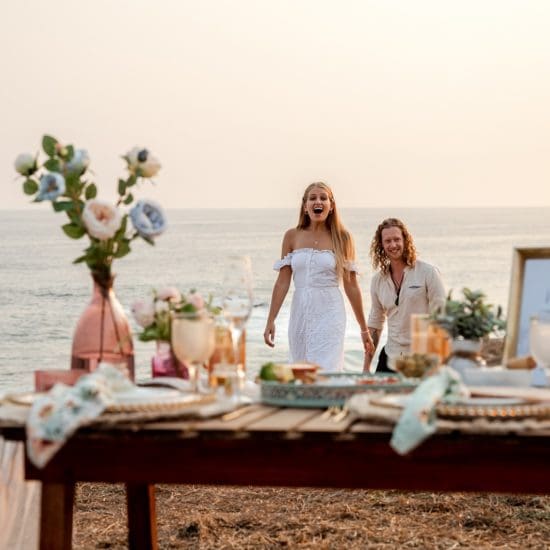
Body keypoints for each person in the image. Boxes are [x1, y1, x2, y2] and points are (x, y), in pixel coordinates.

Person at [264, 182, 373, 371]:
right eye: (312, 198)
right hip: (300, 311)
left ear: (331, 206)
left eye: (323, 198)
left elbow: (351, 286)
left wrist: (364, 329)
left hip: (330, 313)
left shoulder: (343, 237)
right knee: (300, 369)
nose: (318, 201)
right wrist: (270, 320)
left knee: (326, 370)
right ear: (305, 206)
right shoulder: (291, 236)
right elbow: (282, 282)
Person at [364, 217, 446, 373]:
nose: (393, 245)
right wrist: (366, 366)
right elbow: (375, 324)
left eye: (397, 239)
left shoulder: (428, 273)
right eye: (388, 241)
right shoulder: (377, 281)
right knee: (376, 397)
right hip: (389, 357)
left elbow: (441, 318)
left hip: (420, 359)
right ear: (381, 245)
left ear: (405, 240)